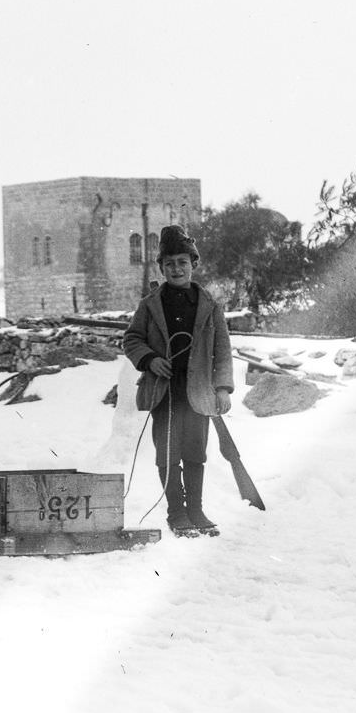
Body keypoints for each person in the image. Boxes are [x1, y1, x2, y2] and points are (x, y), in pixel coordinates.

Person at [123, 225, 234, 534]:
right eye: (169, 263)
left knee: (196, 452)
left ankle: (196, 511)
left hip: (198, 393)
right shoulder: (150, 305)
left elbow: (223, 351)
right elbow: (131, 340)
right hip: (164, 392)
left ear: (193, 265)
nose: (176, 269)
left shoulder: (209, 305)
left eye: (182, 262)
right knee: (168, 453)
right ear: (161, 267)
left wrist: (223, 389)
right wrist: (150, 360)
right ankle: (176, 514)